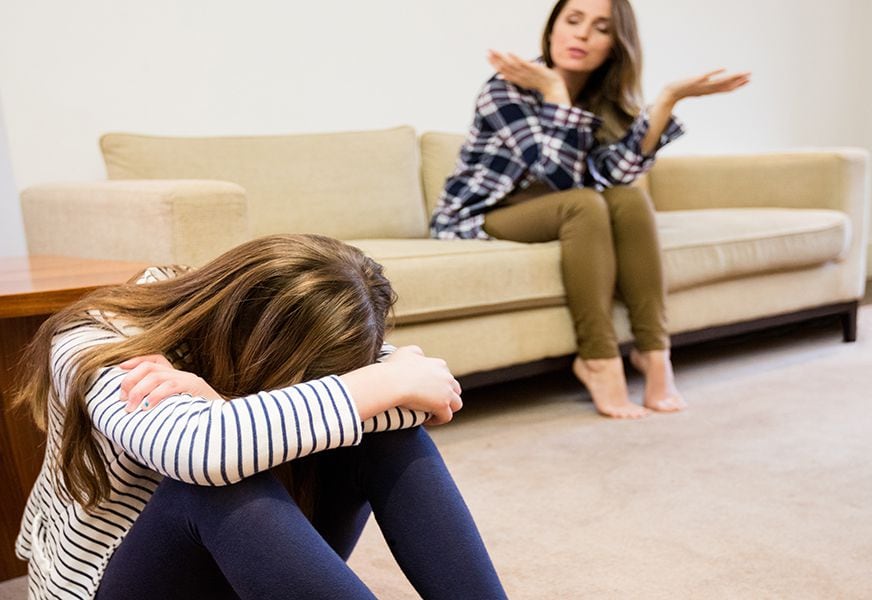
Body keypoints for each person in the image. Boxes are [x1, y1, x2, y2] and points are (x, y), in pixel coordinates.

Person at [13, 234, 507, 599]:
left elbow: (412, 406)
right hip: (103, 582)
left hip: (232, 567)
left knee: (383, 438)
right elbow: (198, 454)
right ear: (253, 343)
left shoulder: (231, 321)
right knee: (218, 485)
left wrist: (224, 407)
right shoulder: (100, 342)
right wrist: (386, 382)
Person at [431, 0, 750, 418]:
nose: (582, 34)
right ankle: (598, 359)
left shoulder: (603, 98)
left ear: (616, 44)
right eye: (573, 20)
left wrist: (668, 99)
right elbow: (562, 178)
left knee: (630, 197)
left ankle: (655, 354)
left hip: (555, 206)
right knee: (583, 204)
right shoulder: (504, 88)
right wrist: (555, 93)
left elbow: (615, 178)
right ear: (551, 30)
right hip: (480, 214)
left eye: (600, 27)